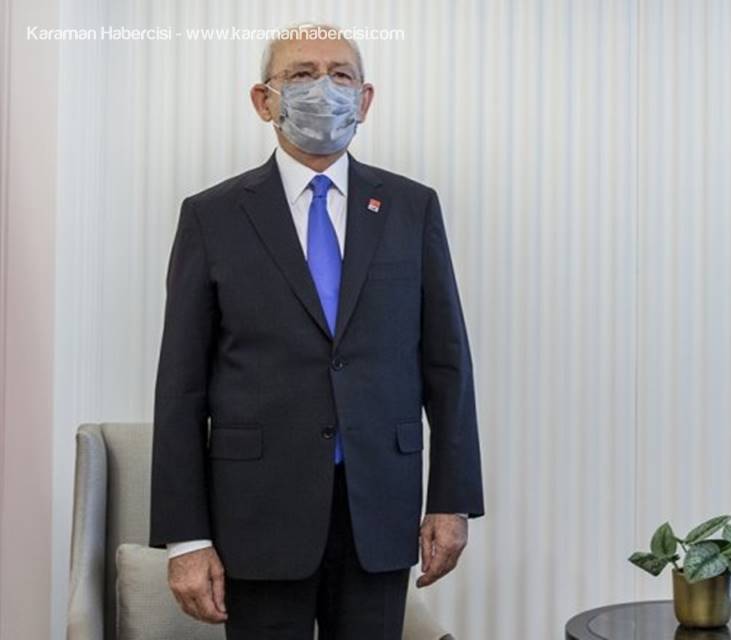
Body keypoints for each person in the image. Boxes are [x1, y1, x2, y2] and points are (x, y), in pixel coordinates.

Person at [148, 23, 484, 639]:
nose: (323, 88)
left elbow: (447, 363)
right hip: (256, 513)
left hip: (379, 508)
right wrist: (186, 538)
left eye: (341, 75)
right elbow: (180, 387)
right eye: (301, 74)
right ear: (263, 100)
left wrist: (451, 499)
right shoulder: (211, 216)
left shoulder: (411, 208)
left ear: (365, 99)